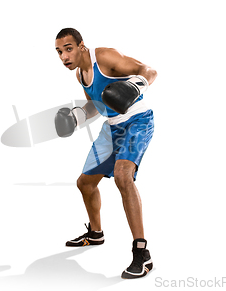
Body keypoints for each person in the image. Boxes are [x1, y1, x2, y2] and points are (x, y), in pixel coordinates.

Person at [54, 28, 157, 279]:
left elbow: (149, 71)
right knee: (85, 183)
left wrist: (135, 85)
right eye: (59, 52)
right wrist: (77, 118)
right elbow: (97, 106)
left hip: (137, 121)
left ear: (81, 46)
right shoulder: (80, 75)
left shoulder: (106, 57)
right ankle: (95, 234)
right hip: (111, 129)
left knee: (123, 177)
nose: (64, 56)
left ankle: (142, 254)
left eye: (68, 49)